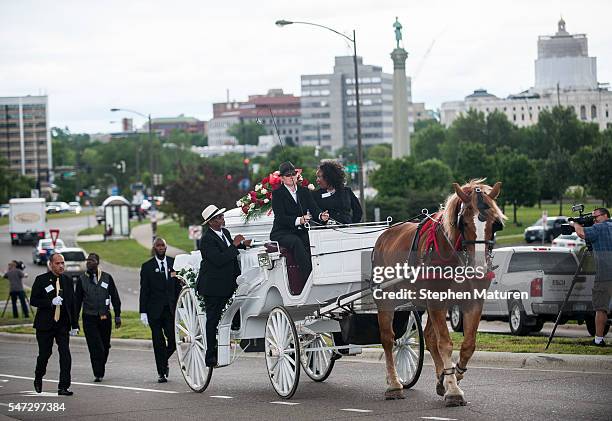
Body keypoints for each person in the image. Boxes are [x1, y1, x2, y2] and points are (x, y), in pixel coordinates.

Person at [196, 205, 251, 367]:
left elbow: (229, 250)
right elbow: (219, 260)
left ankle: (235, 326)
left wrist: (243, 245)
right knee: (212, 319)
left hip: (229, 282)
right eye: (219, 217)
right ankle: (210, 355)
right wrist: (234, 246)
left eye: (221, 216)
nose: (222, 219)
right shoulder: (206, 240)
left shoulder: (225, 233)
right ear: (211, 222)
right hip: (213, 285)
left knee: (237, 304)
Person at [270, 161, 329, 284]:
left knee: (314, 239)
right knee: (296, 242)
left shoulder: (304, 191)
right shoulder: (277, 194)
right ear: (281, 178)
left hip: (300, 231)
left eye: (293, 174)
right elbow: (280, 217)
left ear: (297, 175)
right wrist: (299, 220)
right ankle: (309, 278)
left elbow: (314, 208)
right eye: (287, 175)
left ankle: (325, 272)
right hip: (282, 232)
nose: (291, 177)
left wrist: (321, 215)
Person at [30, 253, 79, 396]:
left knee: (65, 354)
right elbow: (34, 300)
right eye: (57, 263)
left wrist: (75, 324)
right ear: (51, 265)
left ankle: (63, 386)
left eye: (62, 263)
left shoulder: (68, 281)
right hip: (45, 324)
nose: (61, 266)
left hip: (62, 324)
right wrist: (50, 302)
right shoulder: (41, 280)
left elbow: (72, 304)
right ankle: (38, 376)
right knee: (45, 354)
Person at [139, 238, 181, 382]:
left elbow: (177, 286)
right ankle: (161, 373)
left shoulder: (173, 263)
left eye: (163, 245)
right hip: (154, 311)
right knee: (158, 342)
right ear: (154, 248)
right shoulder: (147, 267)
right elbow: (144, 290)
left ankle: (163, 361)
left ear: (166, 247)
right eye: (158, 245)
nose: (161, 248)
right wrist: (142, 312)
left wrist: (180, 306)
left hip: (170, 310)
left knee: (174, 341)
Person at [75, 253, 122, 382]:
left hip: (105, 317)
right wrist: (74, 322)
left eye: (92, 260)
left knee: (105, 346)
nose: (89, 262)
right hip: (89, 318)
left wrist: (117, 315)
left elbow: (115, 297)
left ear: (98, 262)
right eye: (87, 260)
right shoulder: (82, 280)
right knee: (95, 346)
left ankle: (100, 366)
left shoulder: (107, 277)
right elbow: (77, 302)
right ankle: (98, 373)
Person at [572, 207, 612, 346]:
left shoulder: (599, 229)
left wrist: (576, 223)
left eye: (596, 217)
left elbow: (582, 233)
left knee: (600, 308)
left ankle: (598, 339)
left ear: (606, 215)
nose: (594, 220)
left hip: (605, 275)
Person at [312, 160, 363, 224]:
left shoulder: (346, 191)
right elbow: (314, 214)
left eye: (319, 177)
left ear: (328, 177)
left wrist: (351, 225)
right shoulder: (316, 194)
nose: (317, 180)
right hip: (325, 231)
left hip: (346, 230)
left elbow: (358, 211)